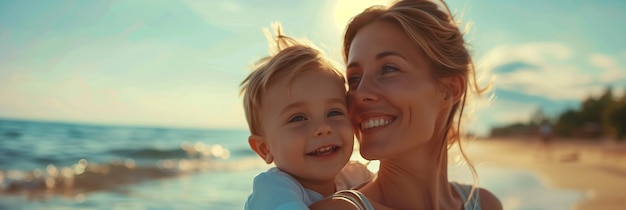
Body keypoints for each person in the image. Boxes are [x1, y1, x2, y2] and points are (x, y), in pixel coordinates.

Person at [310, 0, 503, 209]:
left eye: (388, 69)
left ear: (449, 90)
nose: (360, 94)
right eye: (354, 78)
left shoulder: (485, 204)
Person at [240, 24, 373, 210]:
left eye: (334, 112)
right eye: (298, 118)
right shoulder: (273, 189)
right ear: (264, 149)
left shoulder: (357, 175)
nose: (323, 128)